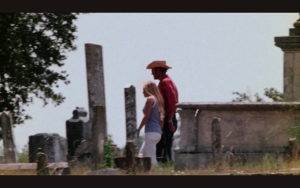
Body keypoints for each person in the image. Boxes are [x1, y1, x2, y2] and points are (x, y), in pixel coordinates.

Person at [146, 60, 179, 163]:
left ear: (158, 70)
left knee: (164, 145)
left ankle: (165, 166)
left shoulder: (165, 82)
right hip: (166, 118)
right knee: (163, 145)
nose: (152, 73)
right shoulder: (165, 81)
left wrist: (169, 120)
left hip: (167, 118)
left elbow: (171, 102)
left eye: (153, 70)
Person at [137, 81, 165, 166]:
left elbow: (146, 116)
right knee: (141, 155)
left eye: (143, 89)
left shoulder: (150, 99)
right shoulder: (159, 100)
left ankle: (157, 173)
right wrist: (159, 130)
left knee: (151, 157)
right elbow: (162, 119)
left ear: (148, 90)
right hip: (157, 133)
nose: (142, 92)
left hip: (150, 132)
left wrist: (139, 129)